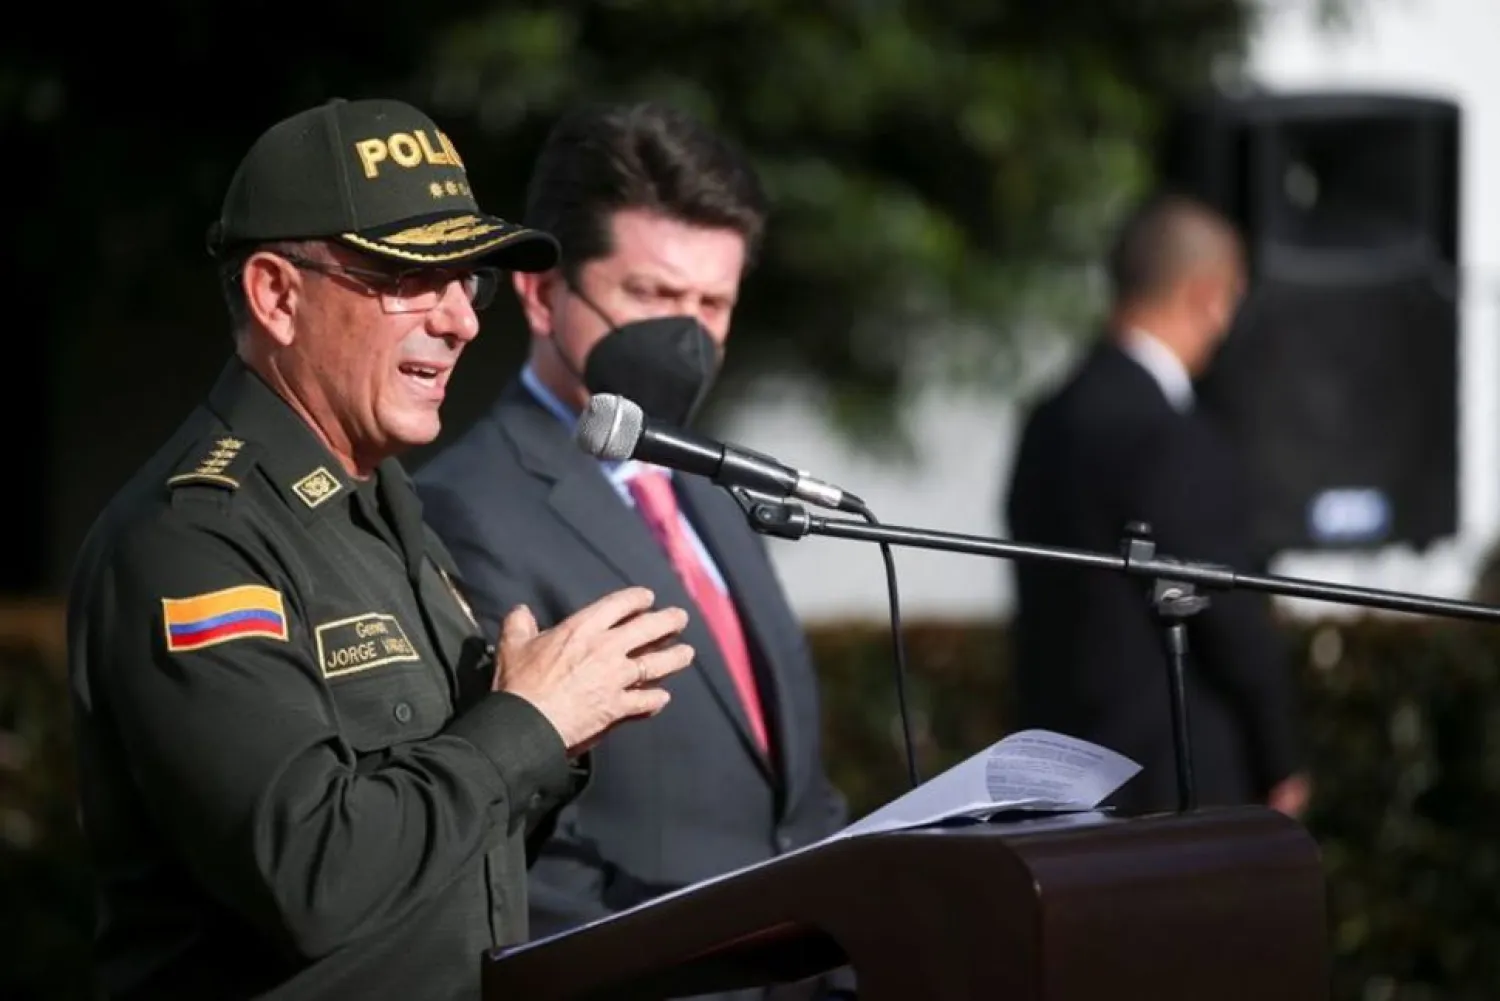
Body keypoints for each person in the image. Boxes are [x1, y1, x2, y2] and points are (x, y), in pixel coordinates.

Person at [65, 97, 696, 1001]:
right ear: (277, 296)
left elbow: (438, 862)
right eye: (410, 277)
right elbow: (317, 877)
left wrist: (553, 735)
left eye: (467, 281)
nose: (460, 321)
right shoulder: (193, 539)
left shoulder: (382, 503)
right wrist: (528, 723)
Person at [414, 101, 853, 999]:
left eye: (712, 303)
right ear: (542, 294)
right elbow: (524, 844)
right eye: (653, 296)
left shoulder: (716, 486)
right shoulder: (465, 505)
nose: (685, 334)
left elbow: (793, 791)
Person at [1004, 192, 1309, 818]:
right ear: (1206, 295)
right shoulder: (1168, 432)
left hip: (1052, 775)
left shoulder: (1049, 420)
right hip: (1173, 779)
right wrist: (1279, 758)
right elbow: (1229, 613)